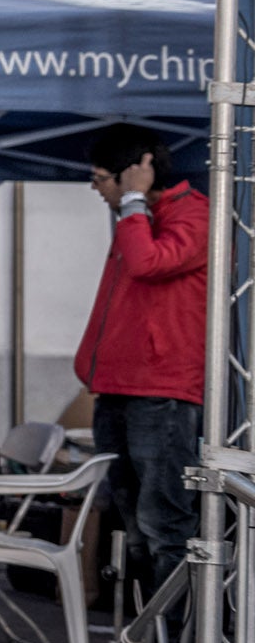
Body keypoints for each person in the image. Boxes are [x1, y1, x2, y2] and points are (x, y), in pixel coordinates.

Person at [75, 123, 207, 596]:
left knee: (163, 525)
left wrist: (132, 203)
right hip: (120, 388)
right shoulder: (141, 218)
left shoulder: (195, 217)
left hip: (162, 392)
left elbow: (149, 264)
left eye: (101, 178)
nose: (96, 188)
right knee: (133, 525)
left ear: (136, 173)